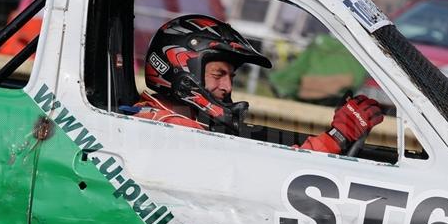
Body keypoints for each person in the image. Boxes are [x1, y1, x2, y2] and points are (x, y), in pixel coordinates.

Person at [133, 15, 385, 155]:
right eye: (218, 74)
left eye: (231, 77)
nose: (227, 87)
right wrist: (337, 137)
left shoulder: (184, 122)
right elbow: (266, 181)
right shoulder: (170, 129)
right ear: (182, 67)